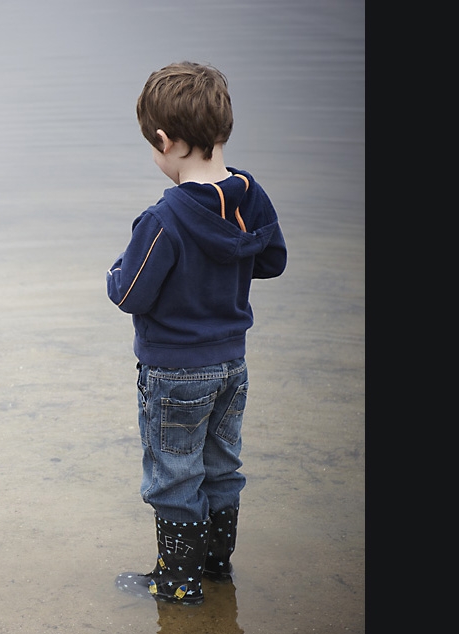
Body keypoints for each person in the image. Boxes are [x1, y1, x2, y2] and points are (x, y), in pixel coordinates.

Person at [108, 61, 287, 605]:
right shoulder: (249, 196)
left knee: (174, 474)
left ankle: (178, 584)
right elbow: (273, 260)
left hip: (174, 372)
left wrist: (115, 270)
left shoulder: (164, 219)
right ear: (222, 131)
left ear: (166, 141)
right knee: (221, 465)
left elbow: (129, 293)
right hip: (233, 364)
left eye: (153, 146)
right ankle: (216, 569)